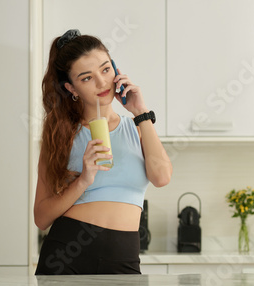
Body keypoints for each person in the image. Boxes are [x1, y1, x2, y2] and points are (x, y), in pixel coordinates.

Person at [34, 29, 172, 275]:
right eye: (86, 78)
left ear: (116, 69)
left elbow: (161, 177)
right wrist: (83, 181)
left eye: (106, 69)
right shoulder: (61, 136)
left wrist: (140, 111)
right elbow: (42, 217)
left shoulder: (137, 127)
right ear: (71, 88)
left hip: (124, 259)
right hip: (66, 257)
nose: (101, 82)